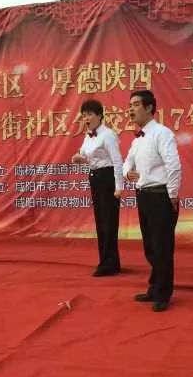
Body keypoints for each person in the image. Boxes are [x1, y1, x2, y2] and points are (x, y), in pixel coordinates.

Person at [122, 90, 182, 312]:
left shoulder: (162, 133)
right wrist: (127, 173)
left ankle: (163, 293)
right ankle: (155, 287)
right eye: (130, 105)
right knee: (150, 247)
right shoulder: (138, 139)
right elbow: (126, 163)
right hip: (143, 195)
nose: (131, 109)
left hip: (161, 196)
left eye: (136, 104)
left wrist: (172, 194)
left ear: (149, 108)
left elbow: (173, 165)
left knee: (162, 247)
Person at [72, 99, 123, 276]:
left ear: (100, 115)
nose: (86, 118)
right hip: (95, 178)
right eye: (84, 115)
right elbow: (85, 156)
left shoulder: (108, 135)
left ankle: (109, 263)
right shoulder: (88, 136)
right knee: (101, 221)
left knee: (109, 222)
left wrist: (119, 186)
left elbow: (117, 161)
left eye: (90, 114)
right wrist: (78, 158)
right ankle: (109, 262)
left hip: (108, 178)